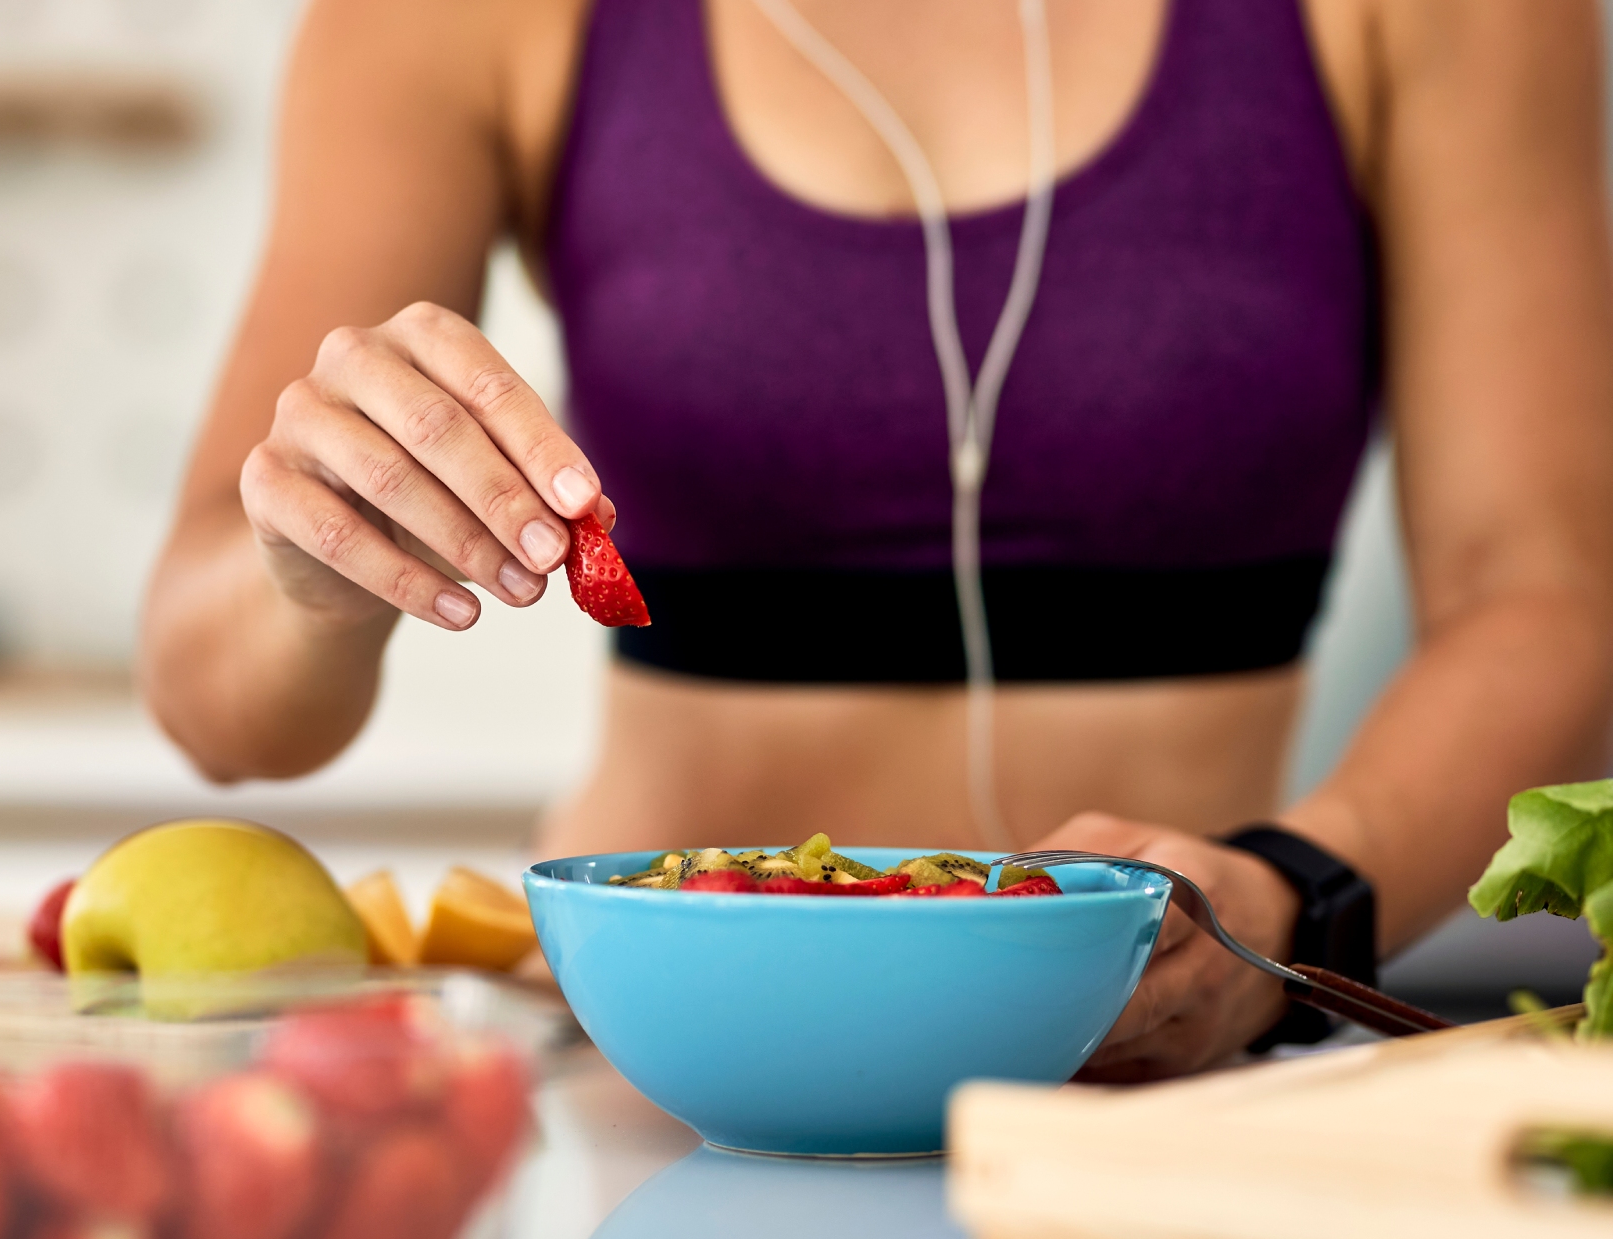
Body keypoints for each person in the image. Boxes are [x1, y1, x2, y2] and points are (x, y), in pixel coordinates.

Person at [140, 0, 1613, 1079]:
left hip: (1158, 1075)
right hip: (652, 1082)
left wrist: (1301, 887)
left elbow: (1548, 593)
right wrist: (313, 570)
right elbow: (217, 704)